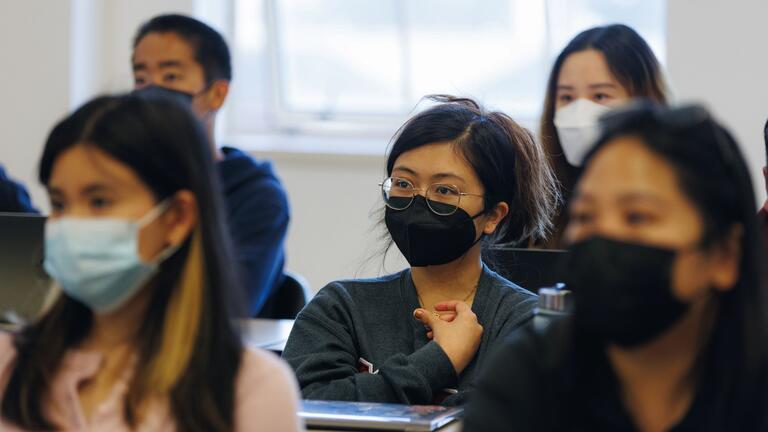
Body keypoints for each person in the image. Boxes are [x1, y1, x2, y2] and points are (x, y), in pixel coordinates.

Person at [0, 93, 302, 431]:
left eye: (99, 201)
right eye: (59, 204)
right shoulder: (11, 364)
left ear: (176, 218)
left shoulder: (249, 388)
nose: (71, 224)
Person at [464, 102, 768, 431]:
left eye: (637, 216)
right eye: (585, 217)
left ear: (724, 256)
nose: (604, 235)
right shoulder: (528, 377)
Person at [282, 95, 559, 405]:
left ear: (493, 216)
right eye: (403, 183)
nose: (417, 201)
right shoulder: (341, 308)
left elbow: (506, 417)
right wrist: (439, 360)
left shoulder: (527, 322)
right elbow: (302, 405)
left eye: (444, 190)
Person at [132, 14, 290, 316]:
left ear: (217, 94)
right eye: (141, 79)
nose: (151, 91)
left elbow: (233, 305)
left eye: (170, 77)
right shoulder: (128, 180)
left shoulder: (258, 196)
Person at [538, 24, 669, 247]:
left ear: (645, 100)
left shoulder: (678, 196)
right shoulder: (541, 207)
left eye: (600, 95)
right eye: (567, 97)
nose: (579, 111)